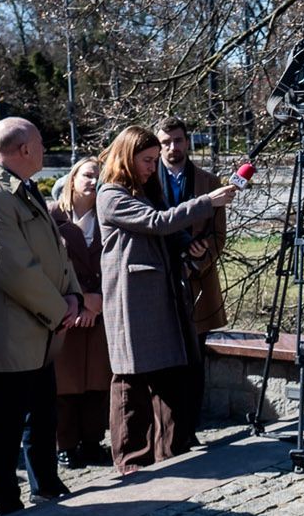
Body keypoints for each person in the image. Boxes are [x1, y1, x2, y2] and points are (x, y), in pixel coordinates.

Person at [96, 125, 236, 472]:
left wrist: (190, 245)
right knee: (131, 380)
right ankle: (131, 461)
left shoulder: (145, 189)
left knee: (171, 375)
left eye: (154, 160)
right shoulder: (111, 195)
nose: (151, 167)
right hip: (132, 301)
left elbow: (166, 234)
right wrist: (208, 201)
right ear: (127, 158)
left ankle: (170, 452)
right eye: (146, 160)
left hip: (162, 294)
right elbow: (156, 223)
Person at [0, 119, 82, 515]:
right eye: (41, 143)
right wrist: (59, 308)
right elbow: (14, 267)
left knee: (42, 415)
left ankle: (45, 484)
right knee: (6, 424)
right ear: (25, 150)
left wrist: (74, 296)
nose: (45, 150)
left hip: (39, 330)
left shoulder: (20, 188)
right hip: (9, 334)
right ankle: (5, 500)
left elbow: (56, 251)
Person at [154, 118, 231, 449]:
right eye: (167, 141)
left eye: (179, 140)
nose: (174, 147)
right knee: (164, 360)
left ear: (188, 142)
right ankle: (165, 432)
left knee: (195, 359)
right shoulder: (146, 181)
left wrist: (198, 257)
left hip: (199, 284)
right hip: (159, 281)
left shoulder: (209, 182)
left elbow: (218, 235)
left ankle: (189, 428)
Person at [49, 156, 109, 467]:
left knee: (97, 380)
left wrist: (97, 301)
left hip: (102, 308)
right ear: (73, 178)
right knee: (66, 382)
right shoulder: (52, 215)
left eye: (98, 176)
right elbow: (48, 265)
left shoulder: (108, 214)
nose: (92, 181)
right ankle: (65, 444)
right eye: (87, 175)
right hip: (66, 310)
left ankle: (92, 441)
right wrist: (81, 299)